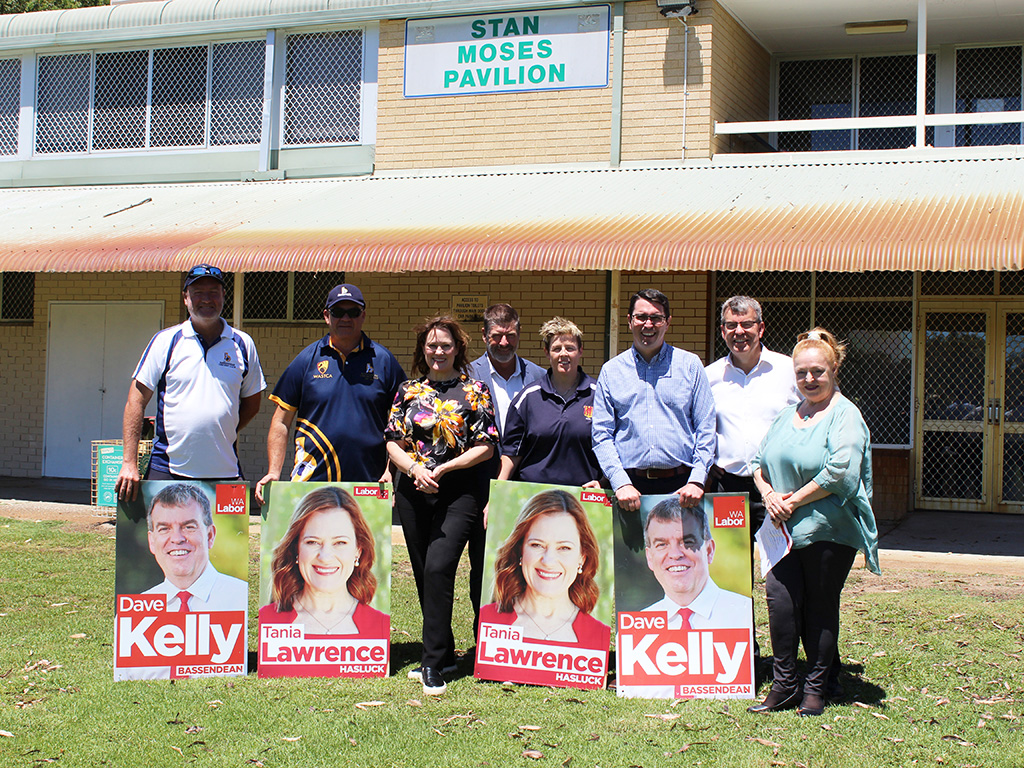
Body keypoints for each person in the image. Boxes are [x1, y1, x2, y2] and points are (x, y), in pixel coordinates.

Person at [749, 328, 879, 717]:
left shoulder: (845, 414)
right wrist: (769, 495)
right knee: (781, 603)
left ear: (834, 369)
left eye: (817, 371)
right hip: (781, 529)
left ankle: (817, 688)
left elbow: (840, 471)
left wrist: (793, 500)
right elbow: (756, 462)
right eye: (802, 372)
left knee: (820, 608)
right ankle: (786, 685)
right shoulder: (789, 414)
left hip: (827, 530)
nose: (809, 379)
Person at [385, 316, 498, 695]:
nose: (438, 352)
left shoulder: (475, 391)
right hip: (414, 491)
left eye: (446, 345)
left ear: (458, 349)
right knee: (422, 573)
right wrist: (416, 469)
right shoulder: (408, 390)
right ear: (423, 350)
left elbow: (486, 446)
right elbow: (392, 442)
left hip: (460, 492)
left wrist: (446, 467)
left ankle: (432, 665)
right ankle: (445, 651)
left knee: (438, 568)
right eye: (432, 345)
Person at [116, 264, 266, 500]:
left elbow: (253, 403)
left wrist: (221, 430)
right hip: (167, 468)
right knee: (165, 536)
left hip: (225, 471)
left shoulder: (243, 344)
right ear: (186, 298)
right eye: (198, 293)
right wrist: (129, 462)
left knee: (225, 538)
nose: (206, 299)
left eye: (213, 292)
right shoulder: (166, 341)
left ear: (224, 296)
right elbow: (135, 400)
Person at [704, 296, 800, 664]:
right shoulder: (710, 376)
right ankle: (743, 660)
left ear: (761, 328)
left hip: (778, 491)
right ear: (723, 330)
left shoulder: (788, 370)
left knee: (783, 579)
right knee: (732, 579)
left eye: (746, 325)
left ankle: (787, 662)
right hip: (728, 488)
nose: (739, 332)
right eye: (731, 325)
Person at [255, 284, 405, 503]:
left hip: (369, 482)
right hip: (312, 480)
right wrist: (273, 472)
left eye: (353, 312)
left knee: (361, 538)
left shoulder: (383, 361)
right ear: (326, 316)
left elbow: (400, 425)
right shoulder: (307, 360)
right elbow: (281, 421)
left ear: (363, 315)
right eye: (337, 312)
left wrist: (391, 470)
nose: (345, 318)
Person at [591, 289, 716, 539]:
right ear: (629, 321)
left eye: (656, 318)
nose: (648, 324)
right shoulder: (611, 371)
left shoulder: (690, 366)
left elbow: (706, 428)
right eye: (641, 317)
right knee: (631, 571)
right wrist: (619, 481)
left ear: (667, 322)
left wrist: (697, 480)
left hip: (682, 488)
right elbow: (601, 435)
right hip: (629, 489)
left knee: (679, 565)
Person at [115, 482, 247, 680]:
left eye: (188, 527)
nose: (176, 538)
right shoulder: (132, 615)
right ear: (152, 541)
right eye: (164, 529)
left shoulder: (242, 600)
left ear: (210, 536)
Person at [258, 487, 388, 676]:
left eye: (340, 543)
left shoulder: (379, 624)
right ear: (296, 549)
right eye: (312, 542)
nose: (325, 557)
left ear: (358, 551)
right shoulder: (269, 620)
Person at [479, 489, 610, 651]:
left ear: (582, 558)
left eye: (564, 547)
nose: (548, 561)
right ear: (520, 550)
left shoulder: (599, 634)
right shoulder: (488, 619)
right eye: (537, 545)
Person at [498, 318, 603, 489]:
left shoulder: (599, 395)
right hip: (533, 495)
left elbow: (613, 446)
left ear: (580, 351)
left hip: (585, 497)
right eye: (556, 349)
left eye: (570, 348)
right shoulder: (528, 398)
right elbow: (512, 453)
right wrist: (496, 494)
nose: (563, 354)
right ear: (547, 353)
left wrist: (603, 482)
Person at [468, 303, 545, 435]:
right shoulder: (467, 376)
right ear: (484, 335)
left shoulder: (539, 376)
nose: (504, 343)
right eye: (497, 336)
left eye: (510, 335)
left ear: (519, 333)